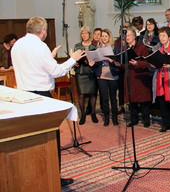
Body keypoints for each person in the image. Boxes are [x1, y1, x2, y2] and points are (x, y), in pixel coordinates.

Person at [11, 16, 85, 188]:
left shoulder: (18, 45)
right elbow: (56, 71)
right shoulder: (40, 46)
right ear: (43, 30)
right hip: (41, 96)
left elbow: (32, 65)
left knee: (32, 138)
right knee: (51, 139)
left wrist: (49, 57)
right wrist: (73, 59)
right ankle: (53, 178)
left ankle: (35, 176)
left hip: (24, 95)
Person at [90, 29, 120, 126]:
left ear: (109, 37)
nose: (104, 38)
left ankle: (115, 118)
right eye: (102, 36)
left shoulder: (115, 47)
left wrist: (113, 61)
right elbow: (96, 65)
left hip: (112, 74)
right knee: (104, 98)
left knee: (113, 97)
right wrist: (92, 64)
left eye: (106, 36)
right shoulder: (97, 48)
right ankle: (106, 118)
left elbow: (119, 62)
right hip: (101, 75)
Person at [123, 27, 152, 127]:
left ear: (134, 36)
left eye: (129, 35)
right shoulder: (125, 49)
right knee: (132, 101)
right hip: (129, 76)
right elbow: (123, 64)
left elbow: (146, 63)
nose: (127, 37)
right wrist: (119, 64)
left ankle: (146, 120)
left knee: (143, 101)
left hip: (140, 77)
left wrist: (137, 64)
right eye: (126, 35)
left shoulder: (142, 48)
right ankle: (133, 119)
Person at [74, 26, 98, 125]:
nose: (84, 35)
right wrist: (74, 62)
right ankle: (83, 114)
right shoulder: (77, 46)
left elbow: (98, 58)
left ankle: (93, 113)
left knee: (93, 94)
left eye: (86, 33)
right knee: (81, 95)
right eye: (82, 33)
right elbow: (74, 58)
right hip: (81, 72)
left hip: (91, 71)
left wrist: (94, 62)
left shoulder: (94, 45)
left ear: (89, 34)